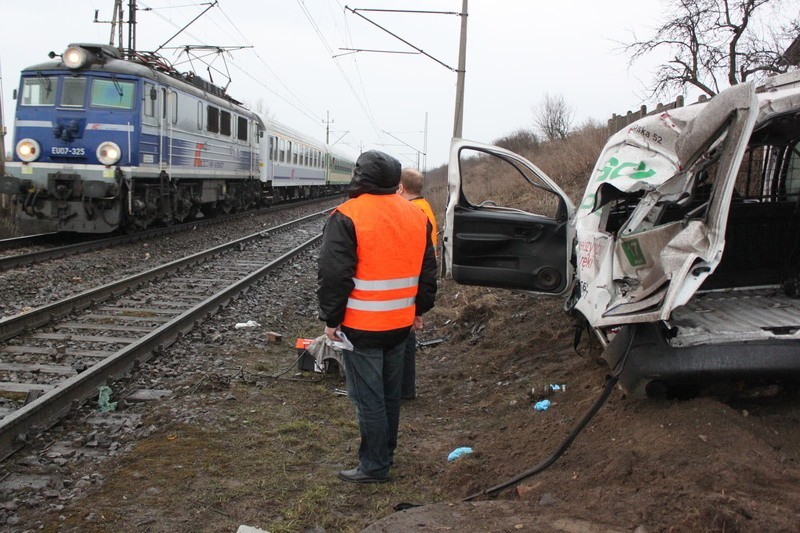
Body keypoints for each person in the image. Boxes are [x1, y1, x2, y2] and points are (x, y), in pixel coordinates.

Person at [317, 150, 437, 484]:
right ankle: (386, 454)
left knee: (367, 398)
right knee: (388, 396)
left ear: (360, 177)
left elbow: (335, 275)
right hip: (400, 325)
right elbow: (428, 270)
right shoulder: (416, 215)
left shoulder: (347, 216)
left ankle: (374, 466)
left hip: (362, 326)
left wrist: (331, 320)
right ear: (394, 181)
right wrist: (418, 310)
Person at [397, 168, 438, 400]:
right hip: (419, 279)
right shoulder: (425, 207)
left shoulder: (412, 211)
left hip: (412, 281)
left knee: (405, 339)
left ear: (401, 188)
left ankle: (404, 391)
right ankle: (406, 390)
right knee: (407, 337)